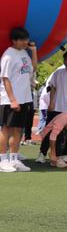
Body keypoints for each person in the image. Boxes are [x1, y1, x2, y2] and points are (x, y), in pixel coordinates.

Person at [0, 27, 37, 173]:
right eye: (22, 40)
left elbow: (32, 68)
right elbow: (5, 78)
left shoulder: (24, 53)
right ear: (14, 40)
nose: (25, 42)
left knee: (19, 130)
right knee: (6, 129)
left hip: (25, 98)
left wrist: (33, 51)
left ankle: (14, 159)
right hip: (10, 100)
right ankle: (2, 160)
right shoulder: (8, 55)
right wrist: (12, 100)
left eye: (26, 39)